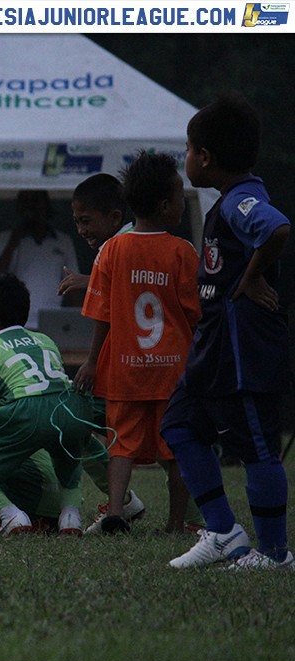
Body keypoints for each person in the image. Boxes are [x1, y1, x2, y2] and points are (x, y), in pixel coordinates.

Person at [162, 95, 293, 570]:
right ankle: (223, 531)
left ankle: (276, 554)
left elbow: (276, 229)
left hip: (242, 353)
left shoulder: (241, 201)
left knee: (258, 448)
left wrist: (252, 276)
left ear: (207, 157)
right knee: (177, 424)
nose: (187, 157)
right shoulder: (226, 202)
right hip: (213, 350)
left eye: (189, 149)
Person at [74, 151, 201, 534]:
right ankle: (176, 523)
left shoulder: (113, 250)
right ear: (165, 205)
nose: (182, 200)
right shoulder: (182, 251)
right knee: (177, 446)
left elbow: (102, 314)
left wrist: (93, 361)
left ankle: (115, 512)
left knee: (121, 445)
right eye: (180, 194)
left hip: (127, 370)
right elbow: (196, 313)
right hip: (173, 372)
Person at [0, 273, 95, 535]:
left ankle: (11, 515)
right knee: (69, 455)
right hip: (70, 407)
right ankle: (70, 517)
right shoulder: (46, 340)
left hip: (25, 412)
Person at [0, 190, 79, 329]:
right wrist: (12, 243)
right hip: (15, 322)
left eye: (36, 203)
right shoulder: (4, 239)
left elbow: (73, 286)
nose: (32, 210)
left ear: (46, 207)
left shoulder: (63, 241)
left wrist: (77, 321)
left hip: (52, 321)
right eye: (27, 205)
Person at [57, 174, 131, 298]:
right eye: (77, 221)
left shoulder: (127, 246)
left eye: (86, 221)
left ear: (115, 217)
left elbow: (135, 286)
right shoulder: (111, 248)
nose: (80, 230)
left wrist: (89, 281)